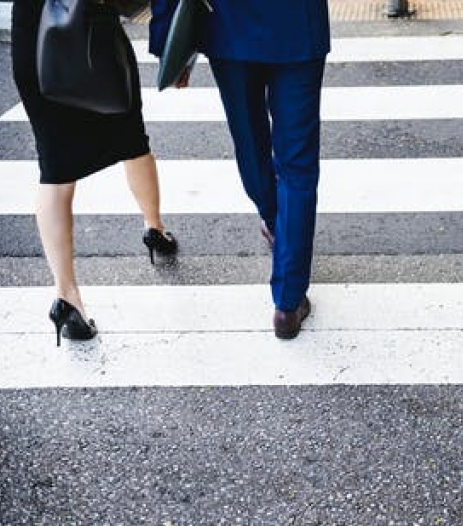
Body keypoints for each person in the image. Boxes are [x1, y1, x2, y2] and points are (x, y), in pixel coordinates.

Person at [150, 0, 330, 339]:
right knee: (298, 165)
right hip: (298, 26)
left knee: (250, 143)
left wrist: (165, 37)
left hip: (228, 27)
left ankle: (274, 219)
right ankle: (288, 304)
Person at [11, 0, 179, 347]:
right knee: (132, 140)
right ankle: (154, 228)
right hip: (91, 36)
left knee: (55, 172)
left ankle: (66, 296)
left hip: (37, 42)